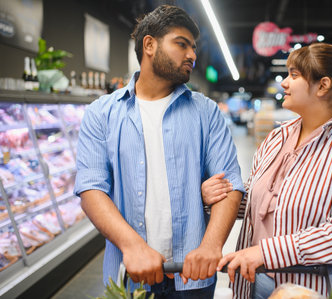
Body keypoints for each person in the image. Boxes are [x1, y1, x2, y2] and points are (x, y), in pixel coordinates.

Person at [74, 5, 243, 298]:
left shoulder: (206, 113)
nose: (192, 55)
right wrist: (133, 246)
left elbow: (230, 186)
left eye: (194, 47)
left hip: (193, 275)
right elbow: (91, 189)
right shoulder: (101, 113)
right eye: (181, 44)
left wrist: (210, 247)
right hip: (129, 274)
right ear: (149, 45)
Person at [202, 43, 332, 298]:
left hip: (321, 287)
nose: (284, 83)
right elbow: (259, 202)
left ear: (323, 85)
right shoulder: (277, 138)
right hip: (259, 281)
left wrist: (266, 252)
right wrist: (221, 197)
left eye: (294, 75)